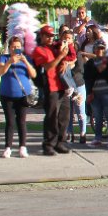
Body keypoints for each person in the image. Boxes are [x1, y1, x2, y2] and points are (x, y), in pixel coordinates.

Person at [31, 26, 76, 155]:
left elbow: (72, 56)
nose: (50, 38)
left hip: (63, 86)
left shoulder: (56, 46)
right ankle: (48, 144)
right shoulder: (39, 50)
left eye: (52, 36)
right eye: (47, 36)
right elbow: (48, 66)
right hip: (51, 87)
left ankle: (60, 142)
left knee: (64, 117)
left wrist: (65, 60)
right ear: (42, 36)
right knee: (52, 117)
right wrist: (61, 56)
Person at [0, 36, 36, 158]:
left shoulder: (26, 58)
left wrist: (25, 61)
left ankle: (22, 147)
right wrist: (9, 62)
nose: (16, 49)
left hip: (22, 95)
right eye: (13, 47)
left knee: (21, 121)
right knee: (10, 121)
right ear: (9, 47)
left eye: (18, 47)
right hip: (7, 95)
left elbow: (33, 74)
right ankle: (8, 147)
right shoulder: (4, 58)